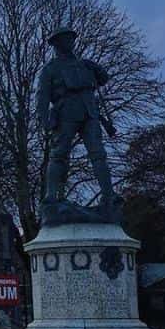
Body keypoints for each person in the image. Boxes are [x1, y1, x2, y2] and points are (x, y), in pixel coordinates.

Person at [35, 26, 115, 213]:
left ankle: (109, 195)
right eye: (65, 39)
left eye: (71, 39)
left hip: (90, 112)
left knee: (98, 154)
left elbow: (103, 78)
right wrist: (44, 121)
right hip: (65, 112)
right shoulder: (50, 69)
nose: (69, 42)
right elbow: (42, 97)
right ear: (57, 44)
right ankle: (52, 196)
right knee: (59, 154)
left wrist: (95, 67)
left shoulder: (84, 64)